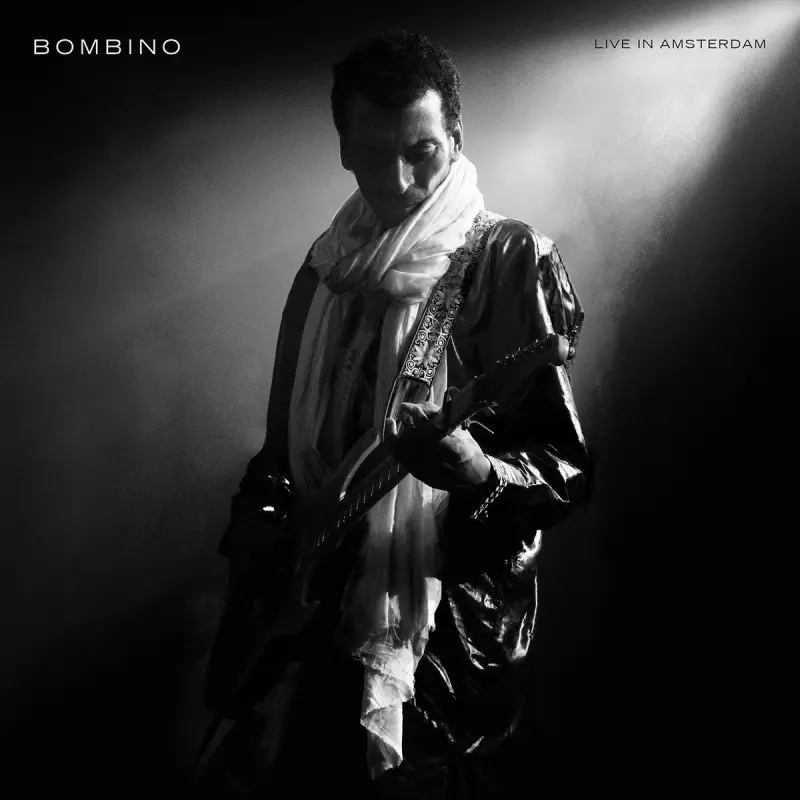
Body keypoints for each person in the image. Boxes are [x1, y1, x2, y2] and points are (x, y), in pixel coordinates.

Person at [196, 30, 589, 799]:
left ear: (457, 139)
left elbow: (565, 470)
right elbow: (274, 462)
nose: (401, 180)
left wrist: (481, 474)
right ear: (343, 149)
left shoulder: (508, 258)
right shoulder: (323, 271)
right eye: (375, 156)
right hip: (310, 632)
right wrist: (267, 553)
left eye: (423, 152)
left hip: (435, 650)